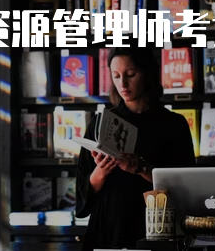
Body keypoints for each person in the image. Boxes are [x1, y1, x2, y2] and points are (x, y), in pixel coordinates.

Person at [76, 44, 196, 251]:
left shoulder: (174, 124)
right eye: (116, 76)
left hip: (156, 227)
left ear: (147, 73)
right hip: (109, 228)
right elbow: (81, 194)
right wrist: (101, 171)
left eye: (130, 74)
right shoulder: (99, 123)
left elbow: (186, 186)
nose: (122, 83)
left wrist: (140, 168)